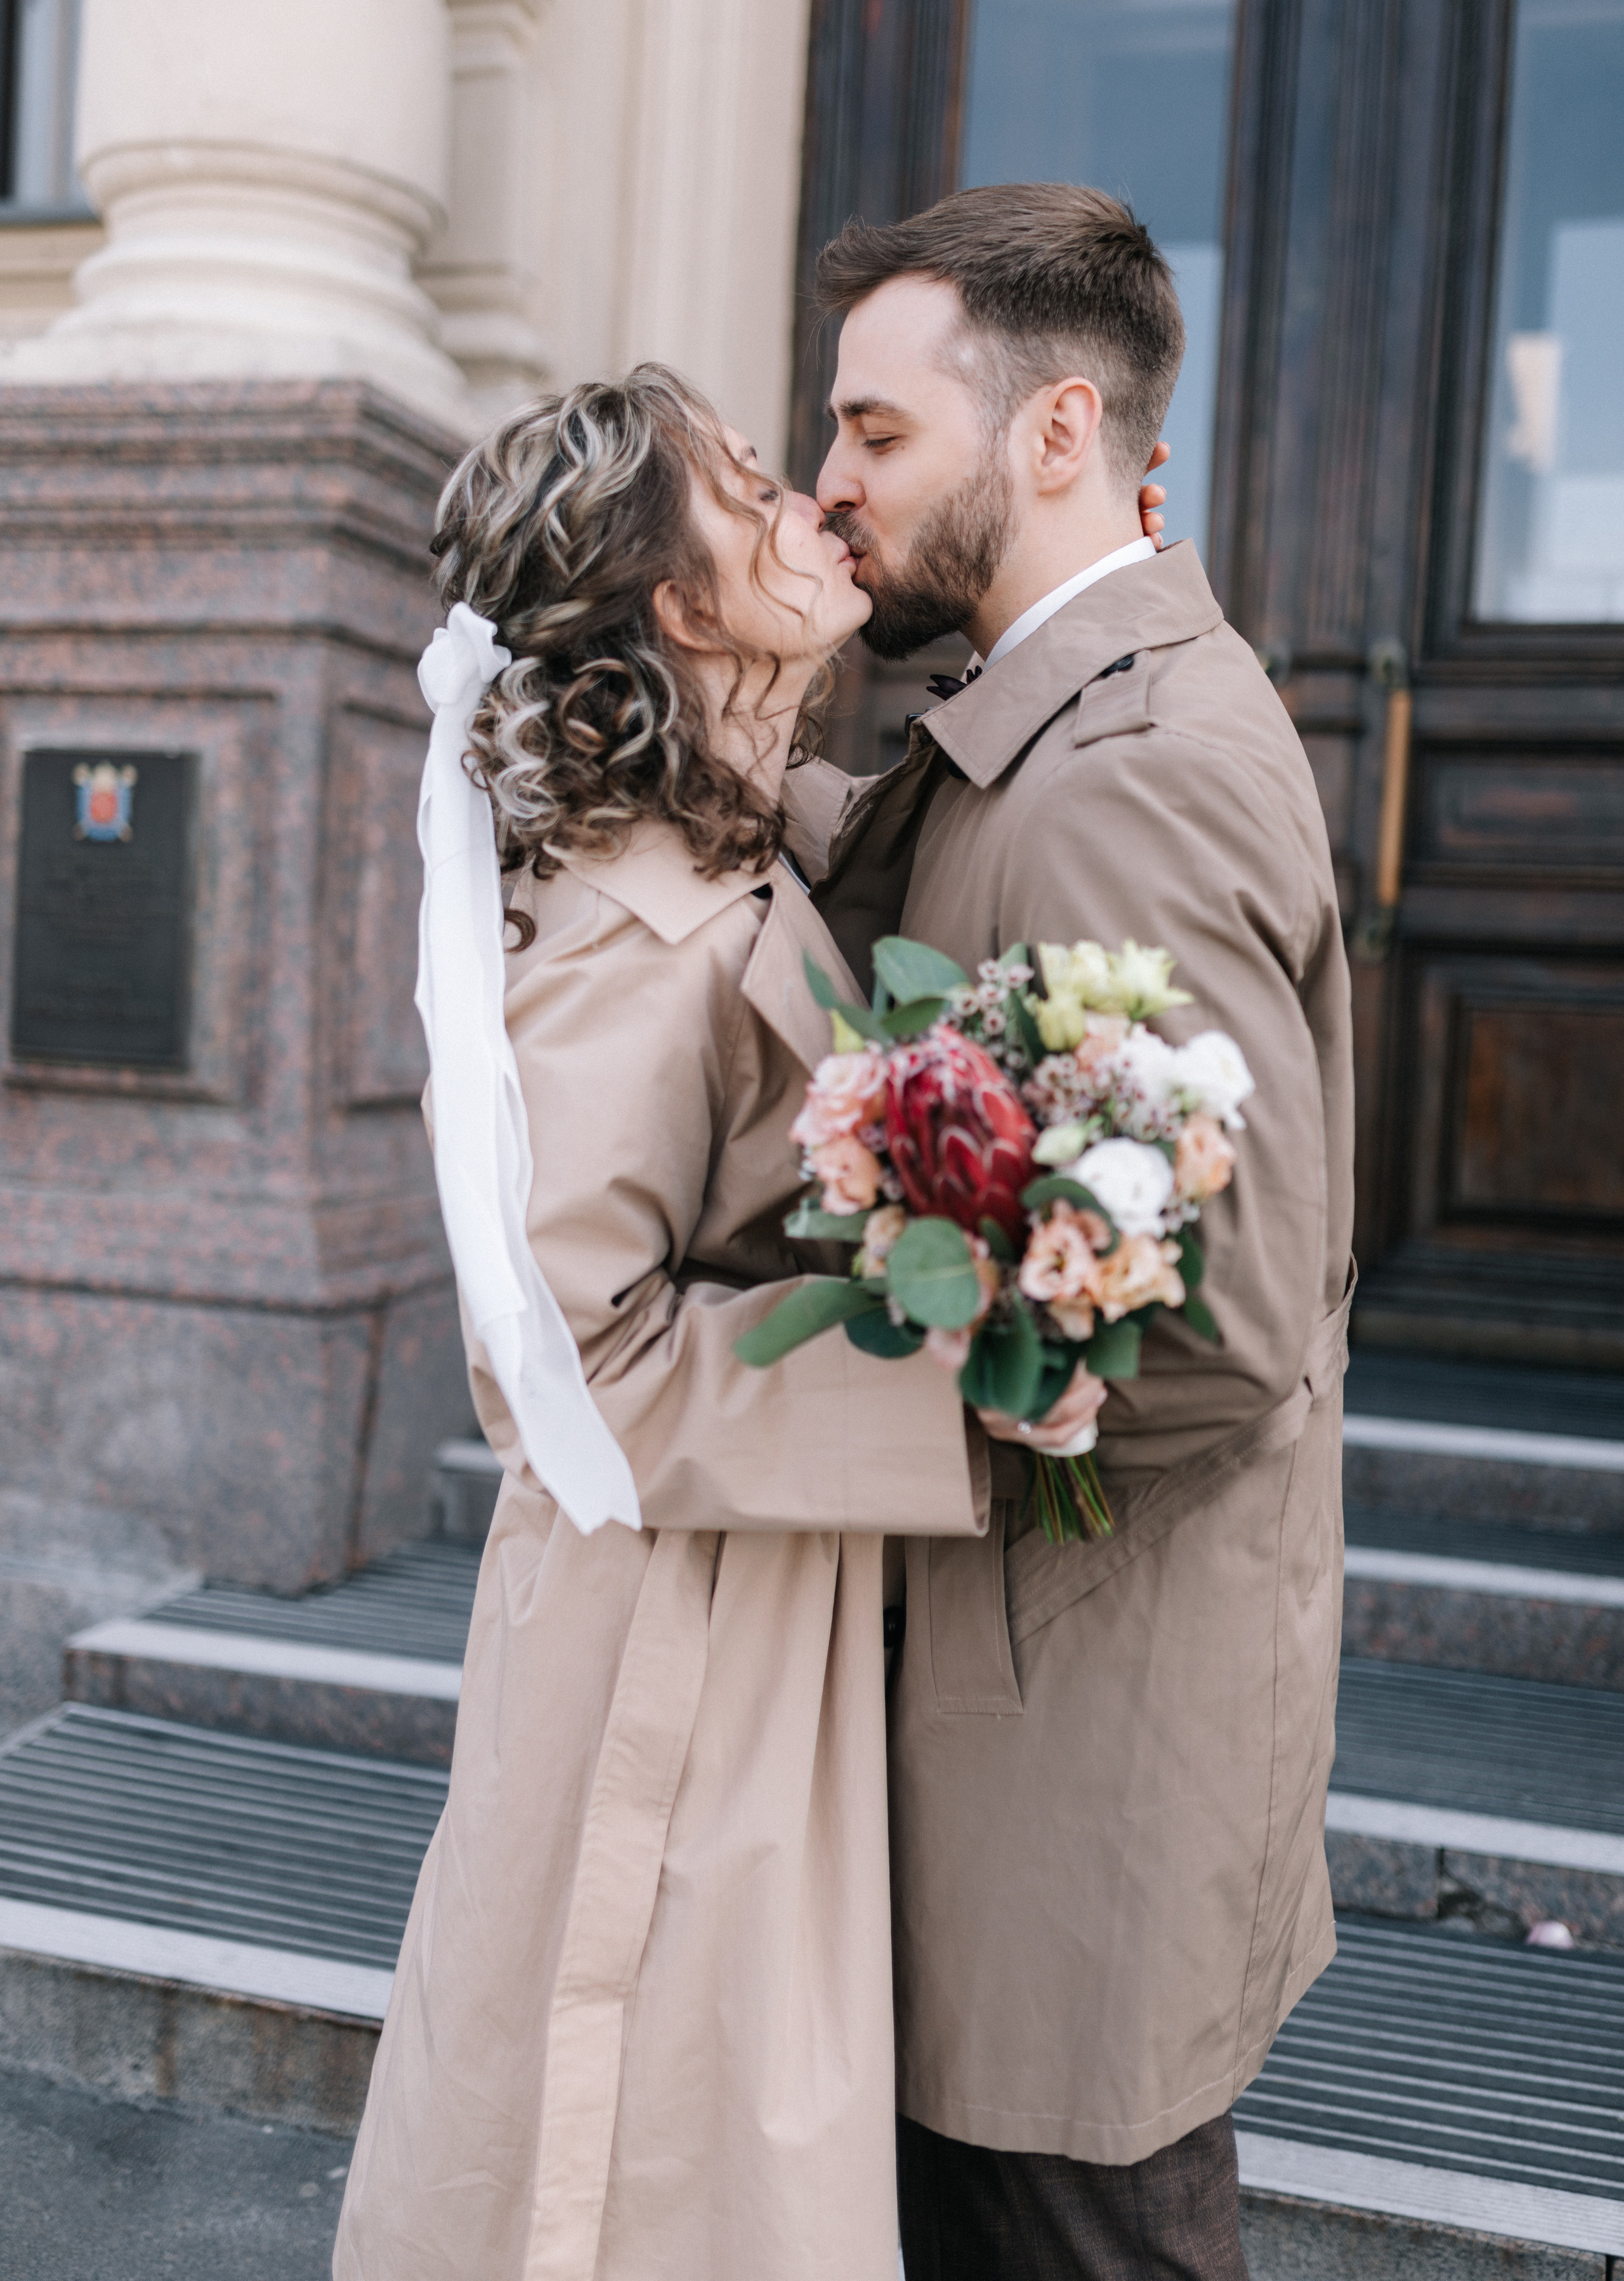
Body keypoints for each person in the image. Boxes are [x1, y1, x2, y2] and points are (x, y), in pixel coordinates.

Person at [331, 364, 1104, 2281]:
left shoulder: (724, 838)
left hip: (748, 1595)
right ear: (682, 608)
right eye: (753, 493)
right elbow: (570, 1365)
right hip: (669, 1638)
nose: (813, 505)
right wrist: (960, 1374)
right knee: (647, 2158)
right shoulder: (624, 925)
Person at [790, 183, 1356, 2281]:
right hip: (1039, 1712)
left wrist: (854, 1422)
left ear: (1055, 434)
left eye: (875, 432)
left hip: (1075, 1743)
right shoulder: (1046, 717)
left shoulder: (1127, 768)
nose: (831, 484)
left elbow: (1219, 1325)